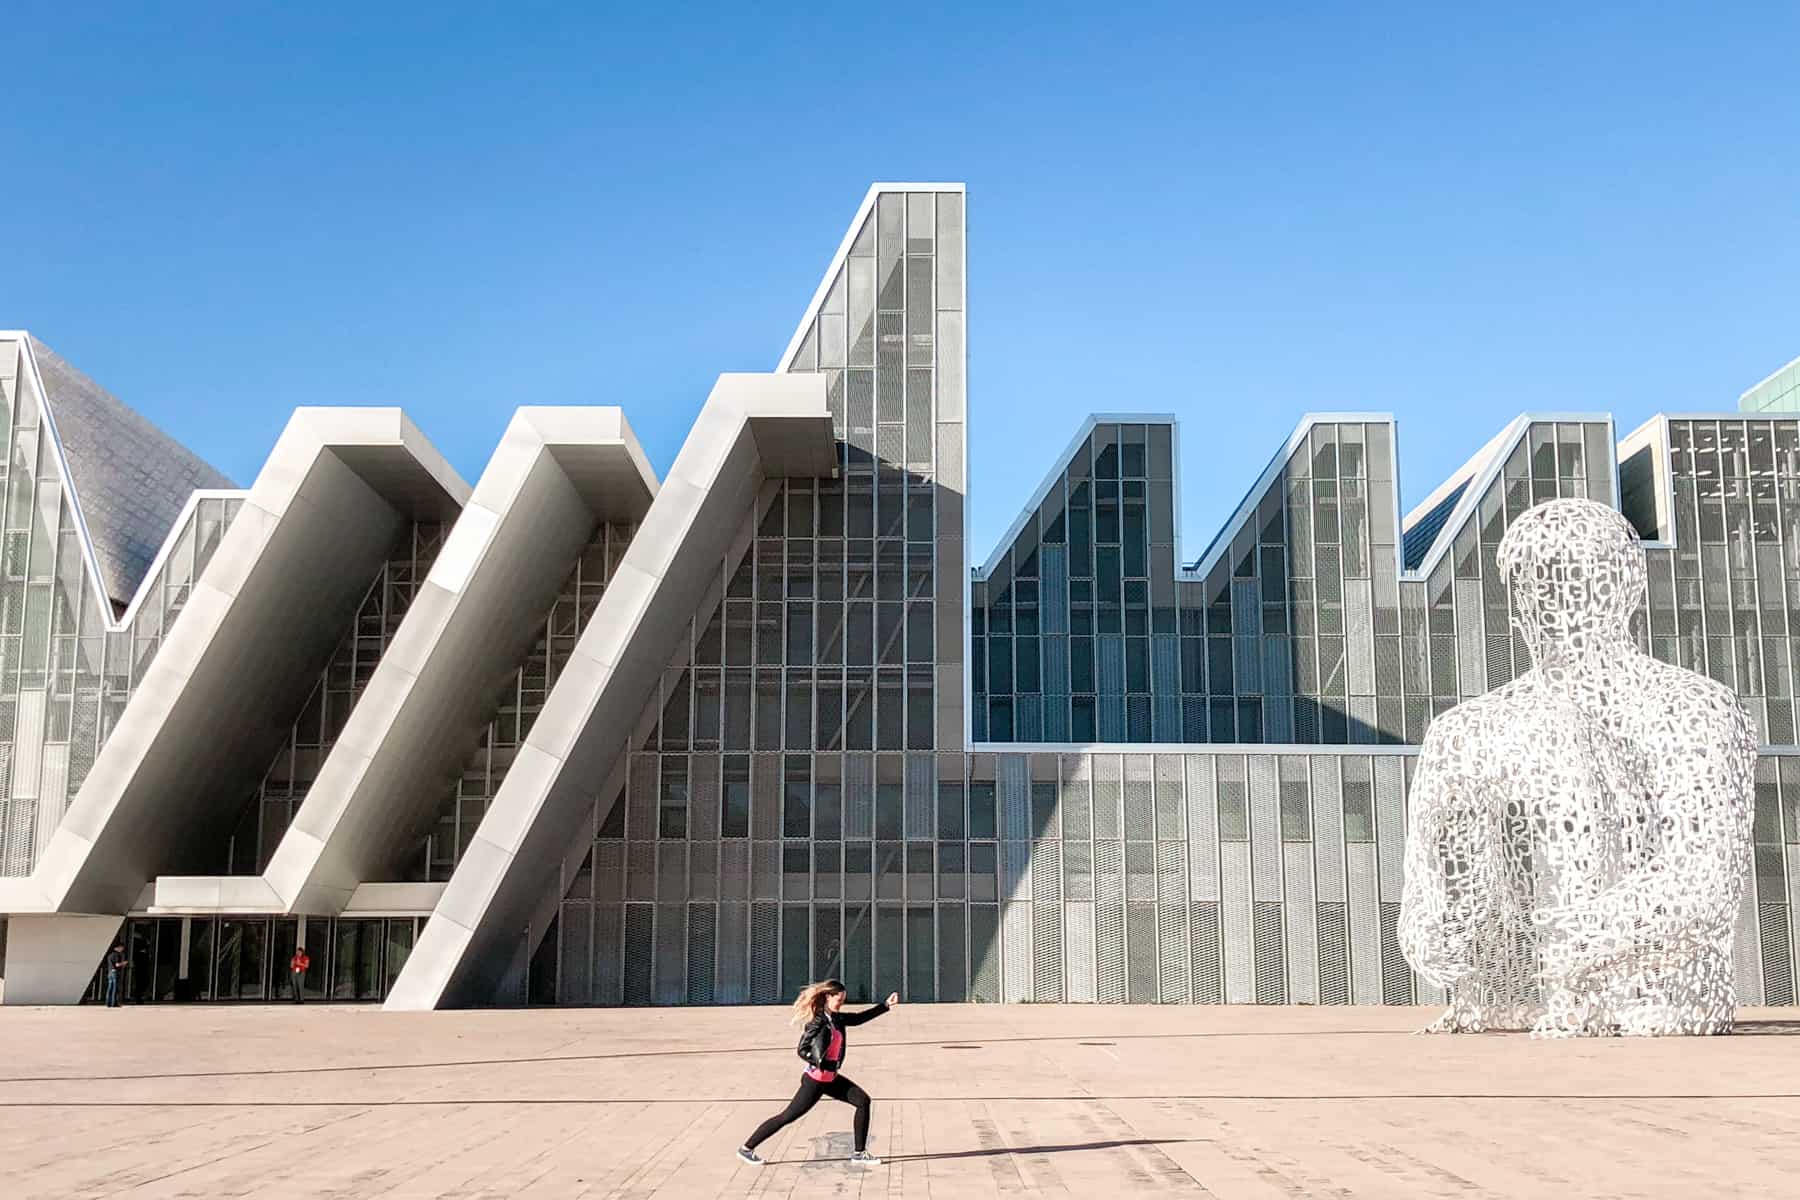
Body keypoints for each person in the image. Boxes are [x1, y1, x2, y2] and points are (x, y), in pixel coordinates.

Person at [737, 980, 898, 1167]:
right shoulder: (818, 1021)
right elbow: (802, 1049)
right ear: (828, 997)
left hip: (830, 1079)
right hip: (816, 1080)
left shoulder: (837, 1019)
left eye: (843, 1000)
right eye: (839, 999)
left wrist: (885, 1005)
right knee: (787, 1116)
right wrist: (820, 1062)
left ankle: (859, 1153)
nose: (841, 1003)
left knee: (863, 1101)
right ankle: (747, 1148)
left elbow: (858, 1018)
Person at [103, 942, 128, 1008]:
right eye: (121, 947)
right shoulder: (117, 955)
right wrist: (124, 963)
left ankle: (108, 1003)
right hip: (115, 972)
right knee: (116, 988)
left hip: (110, 972)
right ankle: (114, 1003)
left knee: (110, 987)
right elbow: (117, 964)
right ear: (118, 948)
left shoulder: (110, 955)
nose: (122, 949)